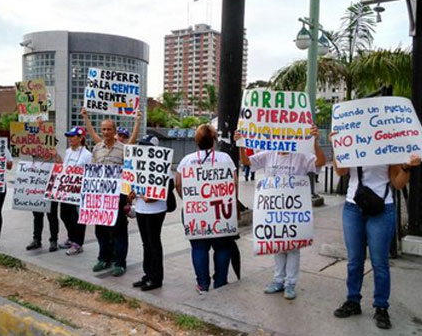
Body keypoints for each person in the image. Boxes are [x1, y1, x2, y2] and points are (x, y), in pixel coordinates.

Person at [330, 131, 421, 329]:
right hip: (353, 207)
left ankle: (381, 307)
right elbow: (341, 172)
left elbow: (397, 183)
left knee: (380, 263)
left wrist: (406, 167)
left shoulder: (387, 145)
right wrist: (338, 146)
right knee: (354, 261)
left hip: (382, 208)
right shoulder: (351, 141)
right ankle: (353, 301)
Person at [235, 125, 326, 300]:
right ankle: (278, 280)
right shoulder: (268, 154)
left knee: (292, 248)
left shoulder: (300, 156)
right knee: (277, 245)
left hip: (293, 212)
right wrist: (240, 144)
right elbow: (247, 162)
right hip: (274, 212)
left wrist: (315, 141)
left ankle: (290, 283)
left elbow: (320, 162)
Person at [175, 124, 239, 294]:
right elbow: (234, 184)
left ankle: (202, 284)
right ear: (214, 139)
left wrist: (189, 200)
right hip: (220, 211)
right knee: (223, 247)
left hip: (194, 212)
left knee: (199, 247)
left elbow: (178, 183)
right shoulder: (225, 158)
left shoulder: (186, 160)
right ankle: (220, 282)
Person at [87, 117, 130, 277]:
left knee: (119, 230)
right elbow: (92, 170)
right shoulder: (97, 148)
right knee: (101, 229)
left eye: (109, 129)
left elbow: (128, 173)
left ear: (115, 131)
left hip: (117, 195)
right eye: (103, 129)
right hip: (100, 196)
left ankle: (120, 263)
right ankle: (104, 258)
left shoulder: (123, 149)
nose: (106, 132)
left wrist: (127, 195)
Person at [130, 135, 168, 291]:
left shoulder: (162, 165)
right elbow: (131, 186)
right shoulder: (137, 164)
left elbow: (164, 189)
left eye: (146, 146)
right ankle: (148, 275)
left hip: (155, 210)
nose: (142, 149)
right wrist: (131, 194)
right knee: (146, 243)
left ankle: (156, 278)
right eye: (141, 146)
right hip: (140, 208)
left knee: (153, 243)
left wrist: (150, 197)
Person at [57, 126, 92, 256]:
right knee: (65, 215)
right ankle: (72, 238)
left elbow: (90, 172)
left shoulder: (87, 155)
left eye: (72, 136)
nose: (70, 139)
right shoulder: (68, 152)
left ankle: (78, 243)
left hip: (80, 191)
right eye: (69, 136)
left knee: (78, 218)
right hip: (67, 190)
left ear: (80, 138)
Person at [25, 148, 62, 253]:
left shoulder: (54, 154)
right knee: (37, 216)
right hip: (37, 190)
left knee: (52, 216)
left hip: (51, 189)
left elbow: (62, 166)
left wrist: (56, 156)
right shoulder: (34, 155)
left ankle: (54, 240)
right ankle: (36, 239)